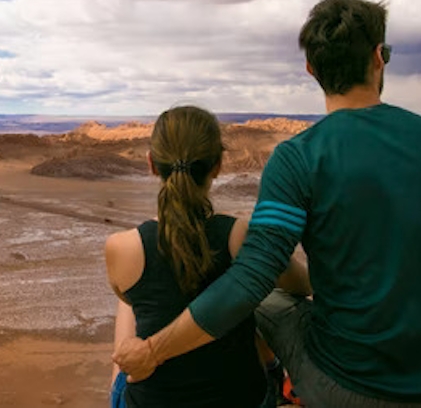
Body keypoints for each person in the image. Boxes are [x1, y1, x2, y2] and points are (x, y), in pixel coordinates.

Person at [113, 0, 421, 407]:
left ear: (311, 69)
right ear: (379, 58)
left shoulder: (299, 157)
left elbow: (250, 281)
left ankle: (271, 386)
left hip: (354, 390)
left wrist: (152, 352)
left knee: (263, 300)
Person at [105, 105, 311, 408]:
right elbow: (302, 285)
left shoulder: (121, 246)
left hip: (151, 399)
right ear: (217, 165)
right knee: (255, 307)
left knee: (128, 304)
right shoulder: (240, 235)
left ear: (151, 164)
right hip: (241, 398)